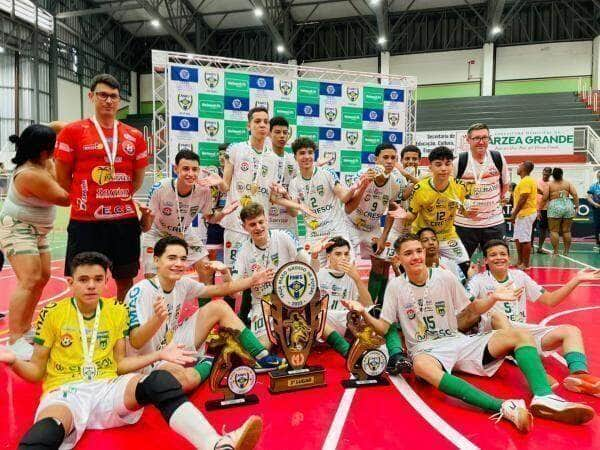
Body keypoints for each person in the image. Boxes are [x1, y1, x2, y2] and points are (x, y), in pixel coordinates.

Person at [0, 252, 263, 450]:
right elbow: (36, 371)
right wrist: (14, 362)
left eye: (97, 279)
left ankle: (216, 444)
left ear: (106, 282)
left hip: (108, 388)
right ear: (70, 282)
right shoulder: (52, 314)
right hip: (67, 392)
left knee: (159, 381)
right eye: (83, 279)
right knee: (48, 429)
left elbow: (121, 364)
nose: (91, 285)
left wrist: (159, 356)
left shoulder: (116, 312)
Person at [343, 235, 595, 431]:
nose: (416, 256)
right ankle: (504, 406)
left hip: (457, 341)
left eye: (418, 251)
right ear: (398, 259)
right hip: (426, 349)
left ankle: (544, 397)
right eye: (408, 253)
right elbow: (385, 328)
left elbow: (470, 309)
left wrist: (493, 298)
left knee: (520, 334)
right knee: (421, 367)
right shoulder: (395, 287)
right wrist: (364, 313)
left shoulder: (444, 276)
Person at [127, 236, 285, 391]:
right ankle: (210, 362)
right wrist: (156, 319)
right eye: (172, 258)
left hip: (173, 341)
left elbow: (219, 289)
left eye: (183, 259)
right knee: (184, 381)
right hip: (149, 358)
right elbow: (136, 342)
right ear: (156, 260)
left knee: (219, 307)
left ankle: (263, 357)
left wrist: (253, 280)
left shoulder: (181, 283)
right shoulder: (140, 292)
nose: (178, 264)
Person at [54, 73, 148, 301]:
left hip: (123, 220)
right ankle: (86, 328)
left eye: (113, 96)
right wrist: (87, 196)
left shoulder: (134, 136)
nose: (108, 101)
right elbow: (63, 177)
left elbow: (136, 180)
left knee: (125, 278)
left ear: (119, 101)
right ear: (91, 97)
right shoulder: (73, 132)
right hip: (86, 222)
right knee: (85, 278)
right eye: (102, 95)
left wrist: (115, 195)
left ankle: (119, 323)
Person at [467, 239, 600, 396]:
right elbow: (470, 306)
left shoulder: (519, 276)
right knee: (497, 316)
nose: (499, 257)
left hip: (521, 331)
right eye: (493, 255)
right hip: (493, 335)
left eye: (503, 254)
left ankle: (579, 376)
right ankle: (537, 372)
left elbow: (551, 300)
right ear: (485, 260)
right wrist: (489, 294)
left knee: (571, 330)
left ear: (509, 258)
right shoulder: (479, 279)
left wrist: (576, 280)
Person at [0, 125, 70, 359]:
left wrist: (83, 131)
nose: (56, 150)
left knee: (43, 276)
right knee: (29, 279)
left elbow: (58, 125)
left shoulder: (43, 161)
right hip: (17, 229)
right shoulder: (30, 173)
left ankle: (26, 329)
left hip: (38, 231)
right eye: (53, 147)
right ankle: (15, 339)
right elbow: (64, 198)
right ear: (42, 151)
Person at [139, 150, 239, 302]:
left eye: (195, 169)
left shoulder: (203, 190)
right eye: (185, 169)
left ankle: (205, 314)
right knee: (152, 278)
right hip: (157, 232)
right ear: (176, 169)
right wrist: (145, 215)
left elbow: (211, 219)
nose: (190, 174)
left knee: (206, 267)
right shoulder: (160, 188)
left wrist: (223, 213)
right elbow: (146, 226)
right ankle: (157, 319)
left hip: (184, 232)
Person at [233, 203, 329, 348]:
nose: (258, 227)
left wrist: (314, 256)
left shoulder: (284, 236)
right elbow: (234, 292)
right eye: (252, 224)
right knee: (263, 347)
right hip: (263, 303)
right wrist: (252, 280)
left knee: (309, 336)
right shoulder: (242, 251)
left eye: (261, 222)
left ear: (267, 221)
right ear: (244, 227)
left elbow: (312, 269)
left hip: (292, 300)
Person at [389, 146, 473, 275]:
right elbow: (412, 215)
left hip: (447, 235)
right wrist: (405, 215)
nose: (443, 168)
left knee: (466, 268)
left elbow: (465, 211)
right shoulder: (419, 188)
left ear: (452, 166)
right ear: (430, 167)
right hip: (423, 236)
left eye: (447, 164)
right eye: (438, 165)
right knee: (410, 268)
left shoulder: (460, 186)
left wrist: (471, 213)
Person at [344, 142, 407, 308]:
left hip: (372, 227)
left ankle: (377, 306)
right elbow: (348, 207)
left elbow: (393, 210)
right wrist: (364, 184)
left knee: (382, 261)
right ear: (376, 159)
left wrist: (383, 237)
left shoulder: (396, 182)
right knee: (347, 261)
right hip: (351, 224)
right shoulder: (363, 175)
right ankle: (352, 303)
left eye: (393, 158)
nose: (389, 161)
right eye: (385, 157)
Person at [288, 137, 359, 265]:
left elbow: (343, 197)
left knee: (347, 270)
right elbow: (293, 213)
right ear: (295, 157)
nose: (307, 156)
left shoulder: (327, 173)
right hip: (314, 237)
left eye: (310, 152)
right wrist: (284, 196)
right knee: (315, 276)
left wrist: (353, 189)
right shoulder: (294, 183)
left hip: (336, 232)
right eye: (302, 153)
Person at [454, 123, 509, 257]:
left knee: (496, 264)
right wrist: (462, 208)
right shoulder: (460, 161)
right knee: (461, 266)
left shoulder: (497, 158)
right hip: (464, 224)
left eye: (485, 138)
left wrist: (500, 200)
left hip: (494, 223)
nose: (481, 142)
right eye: (476, 138)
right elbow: (448, 191)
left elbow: (506, 184)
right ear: (468, 140)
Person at [317, 237, 372, 357]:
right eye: (338, 254)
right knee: (317, 315)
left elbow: (368, 304)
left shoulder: (352, 276)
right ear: (328, 256)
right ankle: (348, 351)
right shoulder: (320, 274)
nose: (343, 258)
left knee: (374, 313)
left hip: (347, 321)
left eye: (346, 254)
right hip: (327, 321)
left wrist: (357, 279)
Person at [268, 116, 299, 234]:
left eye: (285, 132)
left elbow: (295, 207)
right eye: (277, 132)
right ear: (269, 134)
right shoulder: (263, 158)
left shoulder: (293, 160)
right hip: (267, 221)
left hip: (289, 221)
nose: (282, 136)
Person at [510, 161, 537, 270]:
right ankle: (520, 261)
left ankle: (526, 264)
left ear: (524, 168)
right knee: (517, 238)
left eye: (519, 165)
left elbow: (523, 198)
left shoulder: (526, 181)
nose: (517, 167)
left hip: (526, 213)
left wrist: (514, 214)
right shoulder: (525, 181)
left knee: (525, 239)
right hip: (521, 214)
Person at [545, 168, 579, 256]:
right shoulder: (568, 183)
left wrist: (538, 209)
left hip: (554, 206)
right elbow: (575, 194)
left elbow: (544, 198)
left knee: (554, 231)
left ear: (552, 175)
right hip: (567, 205)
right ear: (562, 174)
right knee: (566, 231)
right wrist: (577, 207)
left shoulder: (549, 184)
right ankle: (566, 251)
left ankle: (556, 252)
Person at [536, 167, 552, 253]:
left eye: (547, 173)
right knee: (531, 228)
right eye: (544, 172)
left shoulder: (551, 184)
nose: (545, 174)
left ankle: (540, 247)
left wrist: (541, 192)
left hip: (545, 209)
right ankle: (530, 247)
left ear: (550, 174)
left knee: (543, 229)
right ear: (542, 172)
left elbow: (552, 196)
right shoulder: (536, 182)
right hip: (533, 208)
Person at [588, 170, 600, 245]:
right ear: (597, 176)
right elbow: (589, 197)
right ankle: (598, 242)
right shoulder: (593, 186)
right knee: (597, 225)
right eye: (599, 175)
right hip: (597, 208)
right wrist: (594, 203)